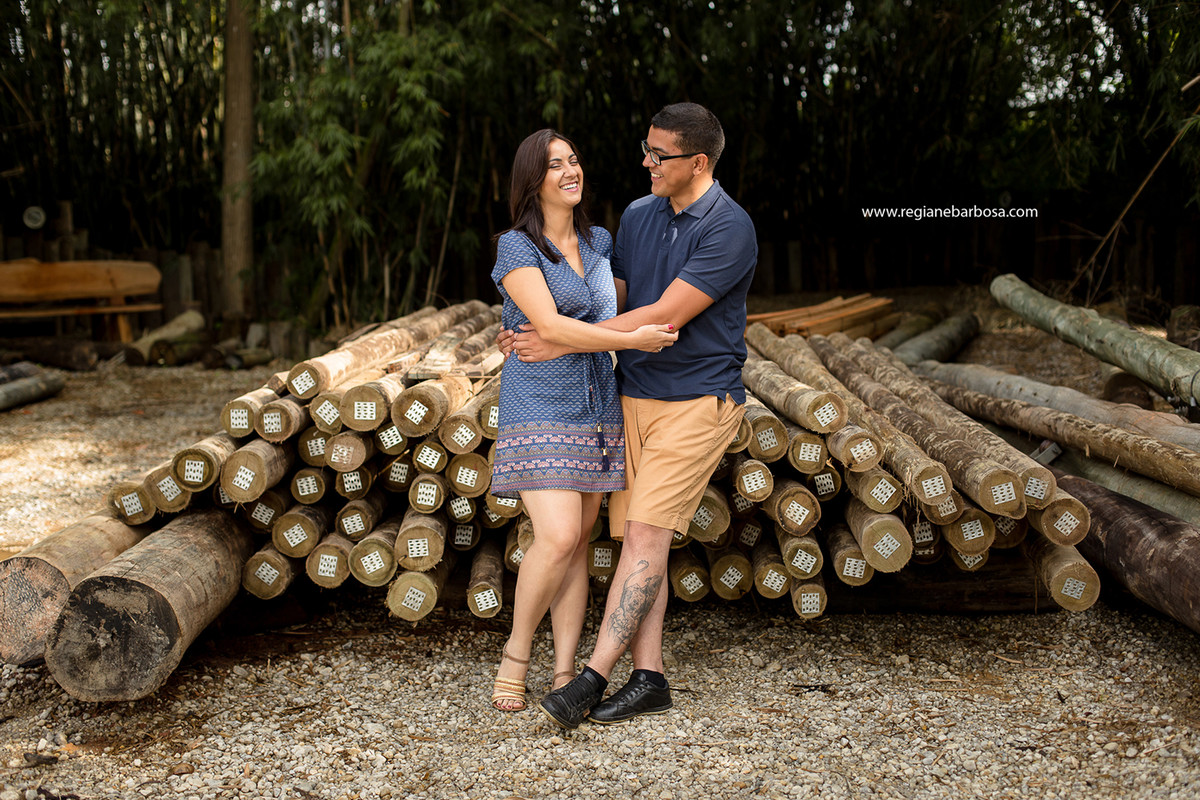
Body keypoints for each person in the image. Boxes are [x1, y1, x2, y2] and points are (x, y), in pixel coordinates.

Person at [504, 103, 758, 728]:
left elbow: (664, 315)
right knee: (637, 543)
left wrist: (556, 337)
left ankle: (590, 677)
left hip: (697, 400)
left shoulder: (730, 227)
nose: (645, 162)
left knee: (645, 537)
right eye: (644, 149)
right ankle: (650, 677)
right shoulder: (639, 218)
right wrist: (543, 322)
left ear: (697, 162)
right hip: (631, 396)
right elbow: (607, 300)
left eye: (658, 155)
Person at [487, 129, 678, 712]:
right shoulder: (516, 248)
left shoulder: (600, 242)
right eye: (554, 165)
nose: (570, 171)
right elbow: (549, 326)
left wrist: (611, 337)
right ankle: (515, 657)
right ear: (532, 180)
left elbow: (606, 319)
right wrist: (629, 340)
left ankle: (566, 670)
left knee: (579, 545)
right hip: (539, 401)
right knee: (559, 535)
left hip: (598, 404)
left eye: (574, 159)